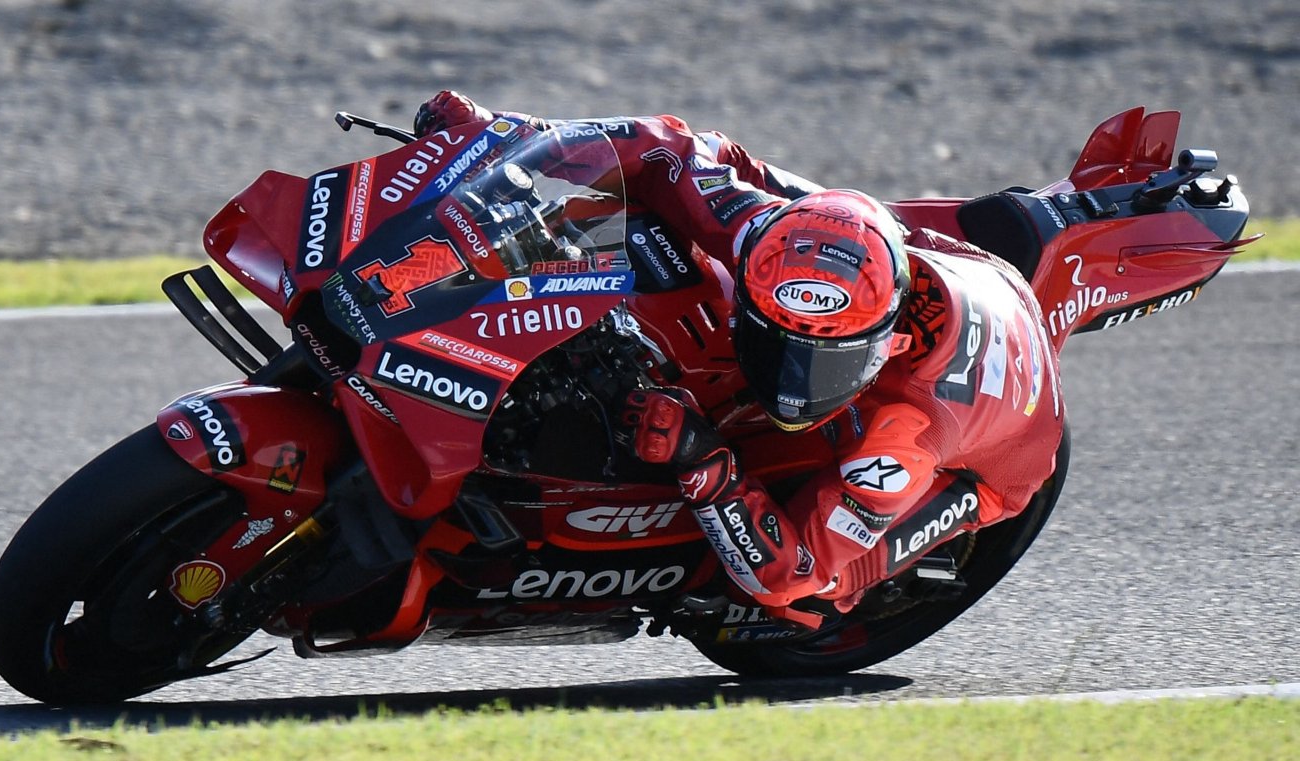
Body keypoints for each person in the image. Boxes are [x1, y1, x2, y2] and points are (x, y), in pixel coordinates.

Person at [413, 92, 1066, 629]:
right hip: (938, 260)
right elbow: (656, 143)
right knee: (651, 237)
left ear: (884, 346)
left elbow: (792, 571)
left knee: (798, 596)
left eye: (821, 363)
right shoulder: (757, 231)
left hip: (989, 467)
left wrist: (702, 456)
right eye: (775, 341)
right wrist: (499, 134)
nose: (790, 383)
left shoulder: (906, 435)